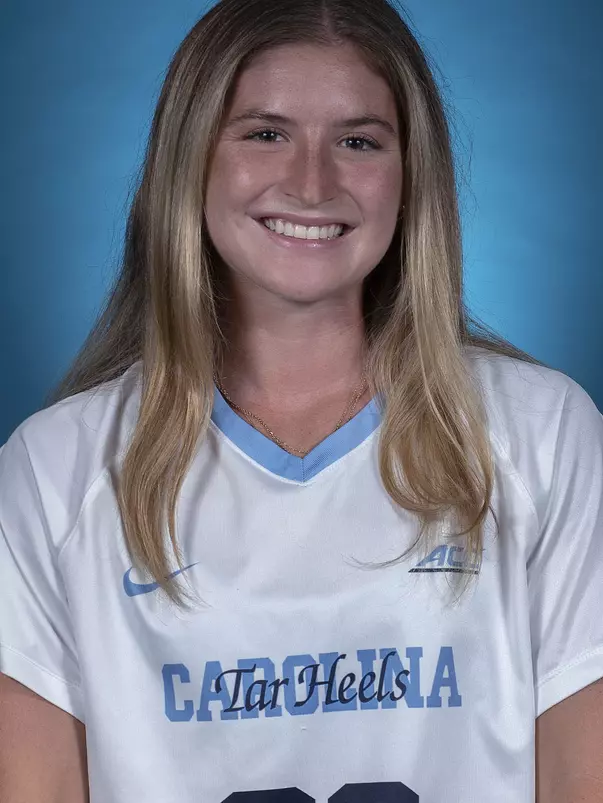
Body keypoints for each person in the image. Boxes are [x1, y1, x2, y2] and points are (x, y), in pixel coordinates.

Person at [1, 0, 602, 800]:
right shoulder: (53, 468)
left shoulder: (543, 432)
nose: (311, 182)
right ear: (190, 158)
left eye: (357, 141)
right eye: (264, 132)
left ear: (409, 173)